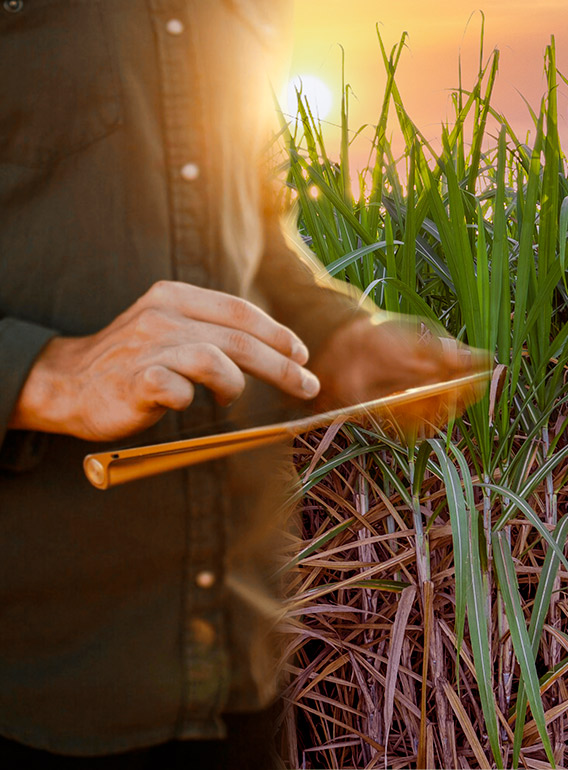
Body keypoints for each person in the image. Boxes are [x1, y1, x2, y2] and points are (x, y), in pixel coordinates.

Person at [0, 1, 475, 766]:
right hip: (35, 680)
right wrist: (45, 374)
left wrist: (341, 340)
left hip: (240, 669)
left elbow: (251, 229)